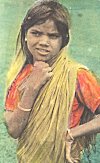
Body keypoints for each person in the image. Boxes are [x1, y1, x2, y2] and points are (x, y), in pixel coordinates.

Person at [4, 0, 100, 163]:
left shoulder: (77, 76)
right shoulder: (21, 75)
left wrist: (71, 135)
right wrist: (32, 88)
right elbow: (14, 130)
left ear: (64, 40)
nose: (43, 42)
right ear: (25, 35)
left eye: (53, 36)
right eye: (36, 33)